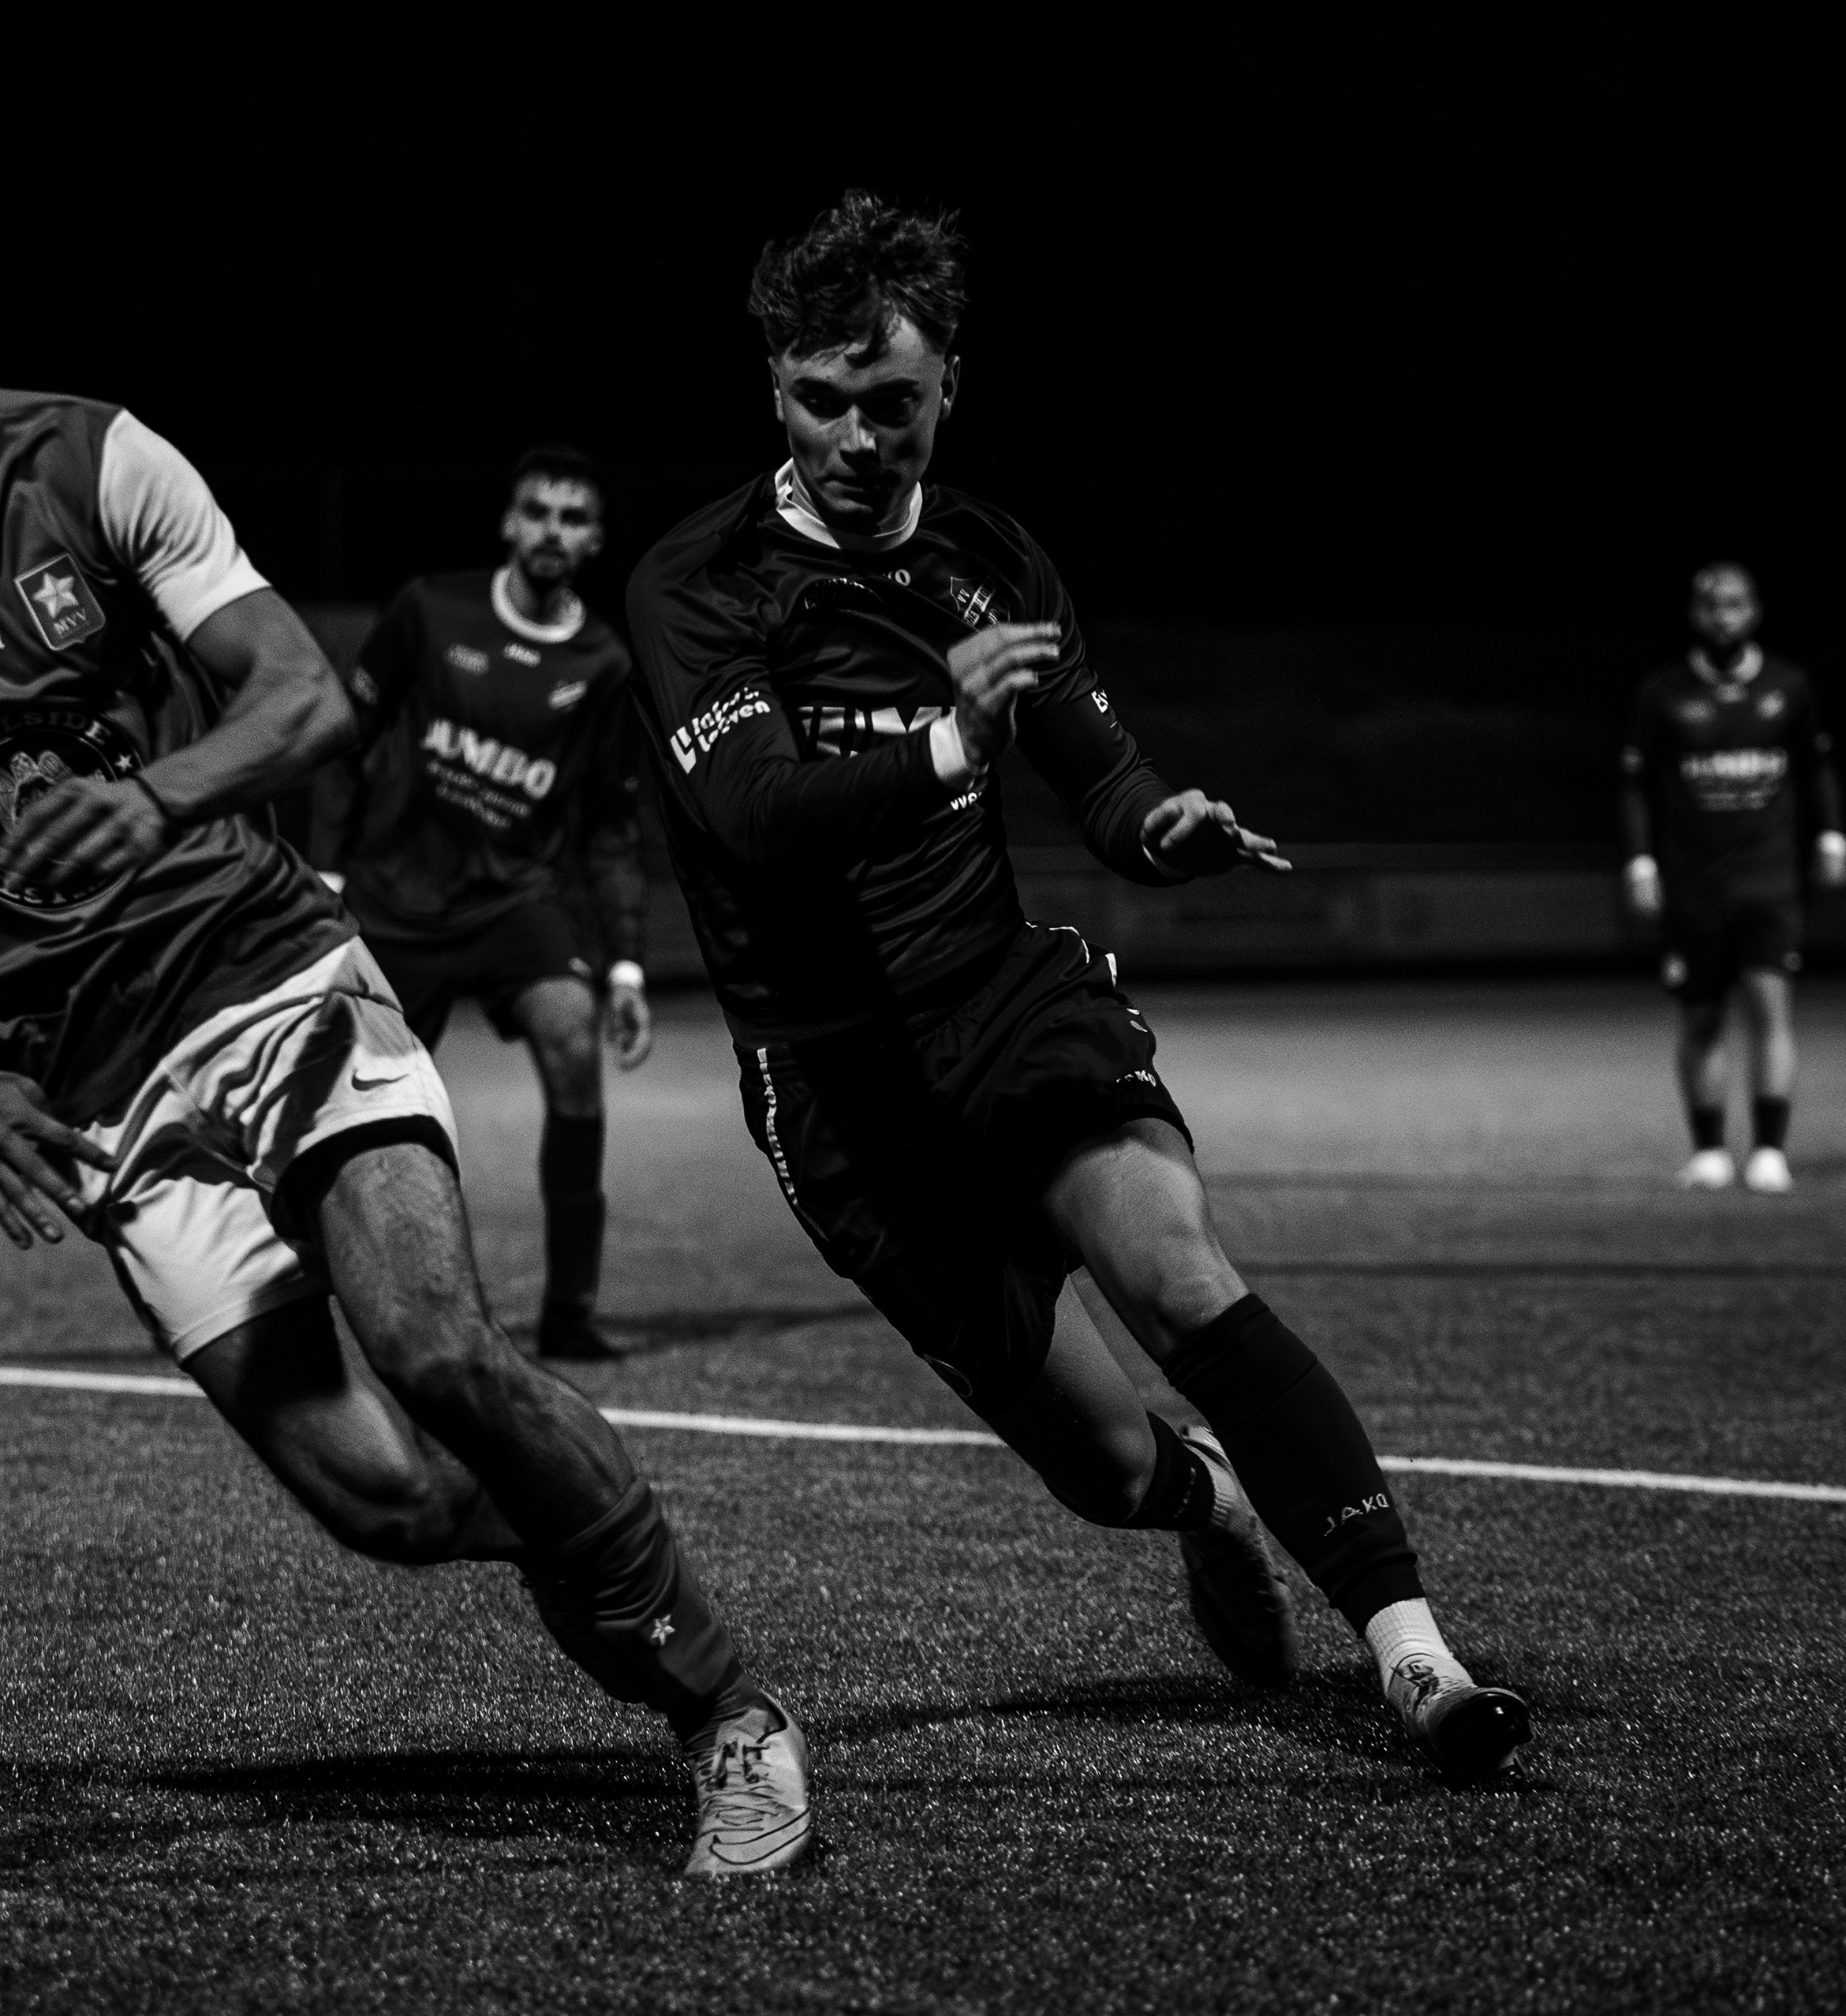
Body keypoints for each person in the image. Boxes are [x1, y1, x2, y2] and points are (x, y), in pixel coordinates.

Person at [0, 196, 809, 1874]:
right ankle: (602, 1537)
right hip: (98, 1094)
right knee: (387, 1503)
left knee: (435, 1348)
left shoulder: (94, 461)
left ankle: (729, 1708)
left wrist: (155, 800)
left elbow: (302, 696)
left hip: (269, 977)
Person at [625, 192, 1530, 1781]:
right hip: (835, 1080)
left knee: (1180, 1274)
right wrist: (946, 743)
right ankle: (1207, 1500)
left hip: (1002, 1002)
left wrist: (1160, 827)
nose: (857, 439)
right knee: (1105, 1467)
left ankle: (1417, 1661)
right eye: (823, 401)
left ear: (949, 386)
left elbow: (1099, 777)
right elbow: (758, 817)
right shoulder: (699, 582)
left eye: (892, 402)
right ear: (774, 386)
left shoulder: (992, 560)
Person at [308, 446, 653, 1360]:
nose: (553, 530)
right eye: (538, 511)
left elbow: (609, 827)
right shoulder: (430, 610)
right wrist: (329, 880)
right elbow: (346, 741)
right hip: (395, 901)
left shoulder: (602, 663)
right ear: (510, 522)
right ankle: (315, 1287)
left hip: (514, 904)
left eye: (573, 517)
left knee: (573, 1037)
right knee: (345, 1100)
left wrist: (624, 962)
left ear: (596, 538)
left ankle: (569, 1313)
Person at [1622, 563, 1844, 1192]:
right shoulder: (1663, 691)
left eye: (1735, 604)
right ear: (1695, 614)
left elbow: (1817, 767)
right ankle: (1711, 1151)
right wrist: (1640, 859)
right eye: (1712, 606)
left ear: (1755, 611)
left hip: (1768, 880)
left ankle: (1770, 1149)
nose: (1724, 617)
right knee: (1700, 1018)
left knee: (1770, 1006)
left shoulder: (1788, 685)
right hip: (1693, 885)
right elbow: (1634, 782)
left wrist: (1832, 833)